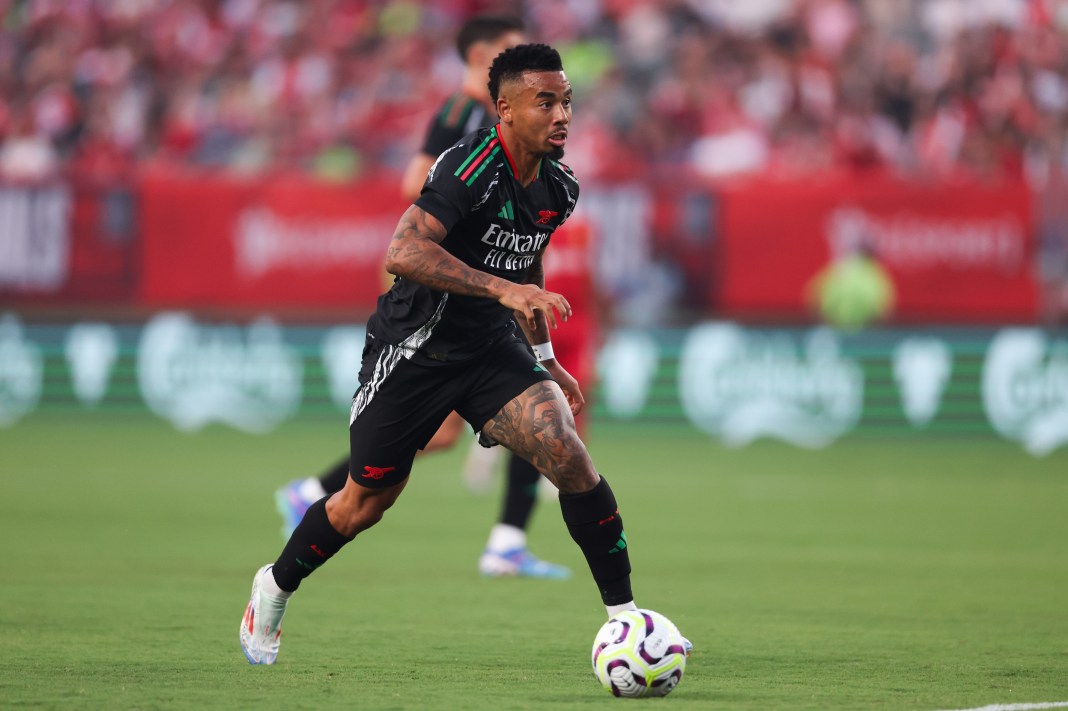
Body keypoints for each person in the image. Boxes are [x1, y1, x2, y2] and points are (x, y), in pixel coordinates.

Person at [241, 43, 687, 666]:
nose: (562, 115)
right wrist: (504, 288)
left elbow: (525, 263)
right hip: (414, 348)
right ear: (504, 108)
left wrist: (546, 356)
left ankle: (627, 619)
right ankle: (274, 586)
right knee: (362, 503)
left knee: (567, 451)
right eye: (545, 102)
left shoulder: (559, 188)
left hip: (489, 349)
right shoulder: (468, 166)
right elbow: (403, 251)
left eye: (566, 102)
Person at [275, 14, 572, 580]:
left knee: (509, 419)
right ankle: (315, 492)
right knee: (437, 435)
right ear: (482, 54)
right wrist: (463, 190)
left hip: (477, 281)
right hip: (435, 274)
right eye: (508, 52)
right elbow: (417, 180)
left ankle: (506, 538)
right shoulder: (465, 115)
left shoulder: (519, 145)